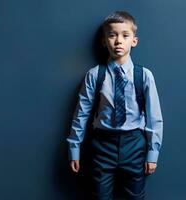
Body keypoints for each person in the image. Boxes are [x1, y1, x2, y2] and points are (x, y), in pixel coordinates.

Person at [66, 11, 163, 200]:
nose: (118, 41)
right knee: (100, 196)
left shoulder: (143, 76)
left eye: (125, 35)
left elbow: (154, 117)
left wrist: (153, 153)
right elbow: (81, 114)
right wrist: (74, 148)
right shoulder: (95, 75)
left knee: (135, 197)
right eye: (112, 35)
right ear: (104, 41)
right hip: (102, 145)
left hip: (134, 144)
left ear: (134, 41)